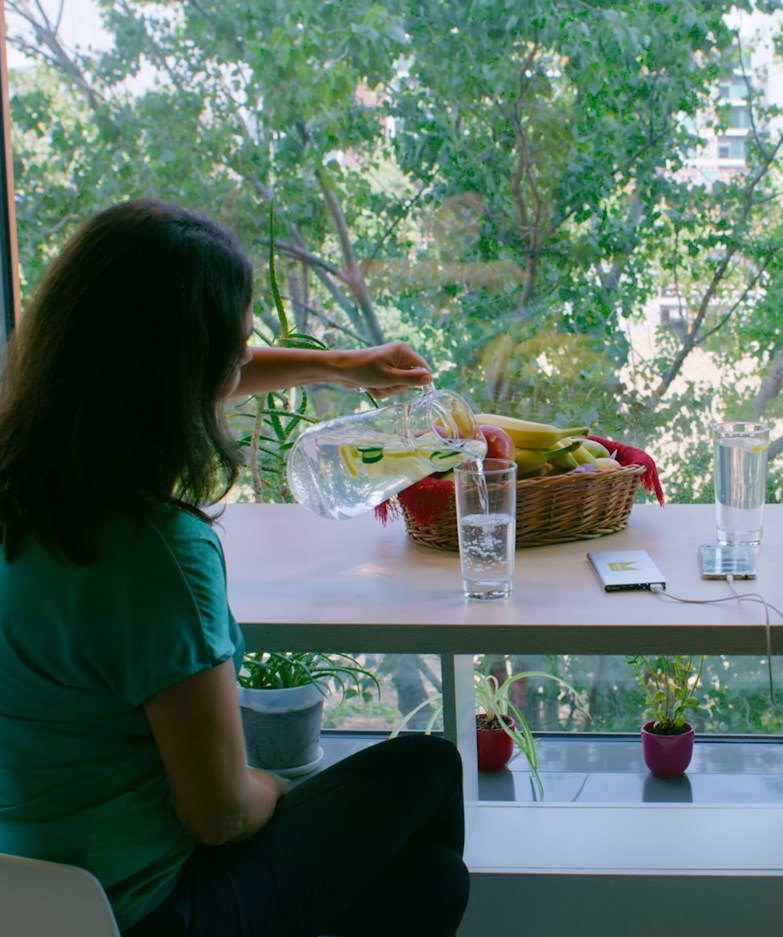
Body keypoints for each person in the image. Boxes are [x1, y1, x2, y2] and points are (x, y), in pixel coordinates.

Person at [0, 199, 469, 936]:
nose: (246, 357)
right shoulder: (152, 552)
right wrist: (283, 786)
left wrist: (340, 366)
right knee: (429, 770)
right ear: (183, 371)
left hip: (30, 901)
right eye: (237, 345)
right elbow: (219, 813)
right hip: (147, 909)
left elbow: (184, 365)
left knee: (429, 883)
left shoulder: (22, 488)